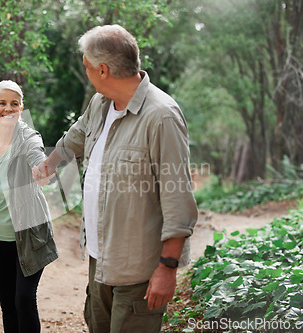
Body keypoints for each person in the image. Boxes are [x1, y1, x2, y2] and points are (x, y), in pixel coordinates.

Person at [32, 25, 198, 332]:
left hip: (140, 272)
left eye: (87, 67)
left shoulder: (162, 116)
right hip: (101, 259)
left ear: (103, 70)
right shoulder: (101, 102)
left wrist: (168, 268)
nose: (86, 73)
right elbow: (77, 136)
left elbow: (178, 201)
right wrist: (50, 164)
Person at [0, 80, 58, 333]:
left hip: (29, 235)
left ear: (21, 107)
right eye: (2, 104)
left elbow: (36, 154)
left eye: (14, 104)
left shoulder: (28, 136)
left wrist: (41, 168)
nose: (8, 109)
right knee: (7, 303)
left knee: (24, 300)